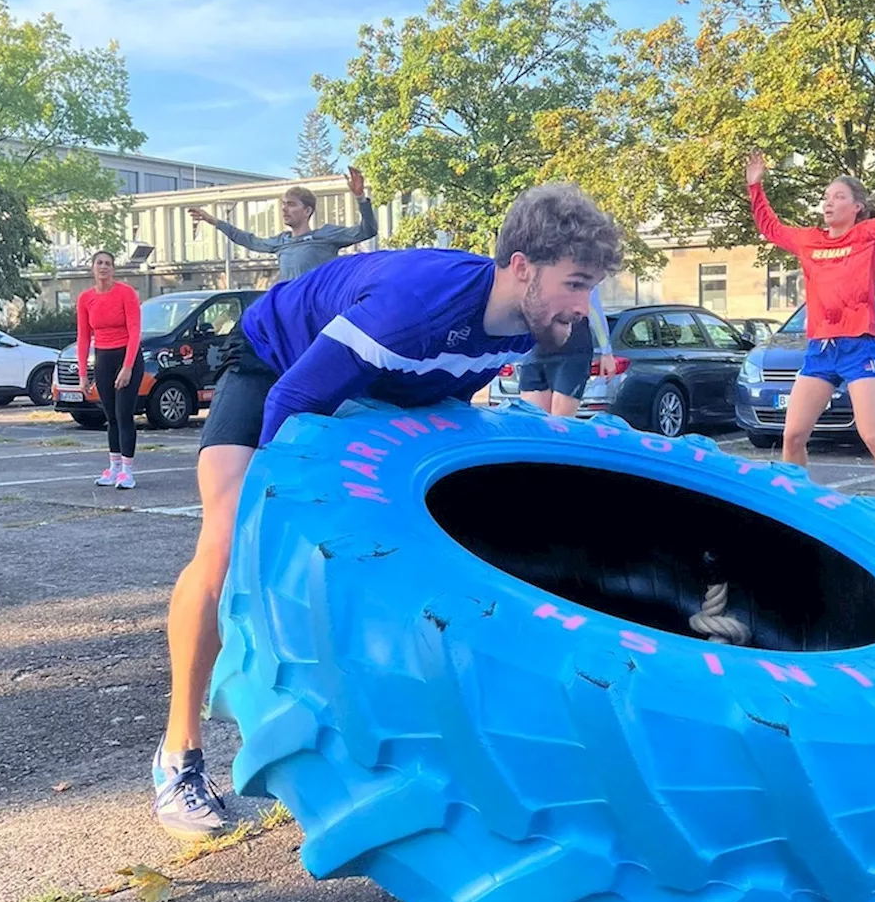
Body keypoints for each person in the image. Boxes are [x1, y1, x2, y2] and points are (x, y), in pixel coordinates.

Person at [152, 183, 622, 836]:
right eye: (576, 283)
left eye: (590, 286)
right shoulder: (412, 308)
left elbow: (437, 405)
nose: (584, 304)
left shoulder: (526, 330)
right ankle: (178, 756)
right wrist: (284, 533)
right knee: (231, 542)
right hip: (273, 365)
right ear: (521, 268)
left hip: (364, 386)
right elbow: (294, 404)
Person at [745, 118, 875, 527]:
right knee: (793, 435)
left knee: (872, 435)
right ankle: (798, 502)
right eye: (825, 197)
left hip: (858, 348)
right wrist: (756, 187)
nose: (828, 203)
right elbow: (769, 227)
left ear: (856, 206)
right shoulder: (809, 240)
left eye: (837, 197)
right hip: (820, 351)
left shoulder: (870, 235)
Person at [187, 169, 377, 281]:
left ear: (307, 211)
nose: (284, 209)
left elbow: (367, 230)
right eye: (283, 204)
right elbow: (248, 240)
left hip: (319, 308)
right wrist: (213, 221)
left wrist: (360, 198)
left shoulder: (326, 235)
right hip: (291, 310)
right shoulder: (281, 241)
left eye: (291, 204)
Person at [76, 251, 143, 491]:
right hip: (103, 358)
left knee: (124, 414)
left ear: (113, 269)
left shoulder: (126, 293)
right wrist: (83, 373)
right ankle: (113, 467)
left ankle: (127, 470)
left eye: (108, 264)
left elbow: (135, 331)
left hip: (126, 356)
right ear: (93, 268)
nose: (103, 267)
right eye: (99, 263)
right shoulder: (85, 298)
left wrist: (127, 367)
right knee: (111, 416)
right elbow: (84, 337)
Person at [518, 287, 615, 417]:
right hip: (534, 352)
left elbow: (593, 309)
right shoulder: (529, 271)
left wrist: (606, 352)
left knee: (560, 423)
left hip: (571, 353)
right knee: (534, 422)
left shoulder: (581, 272)